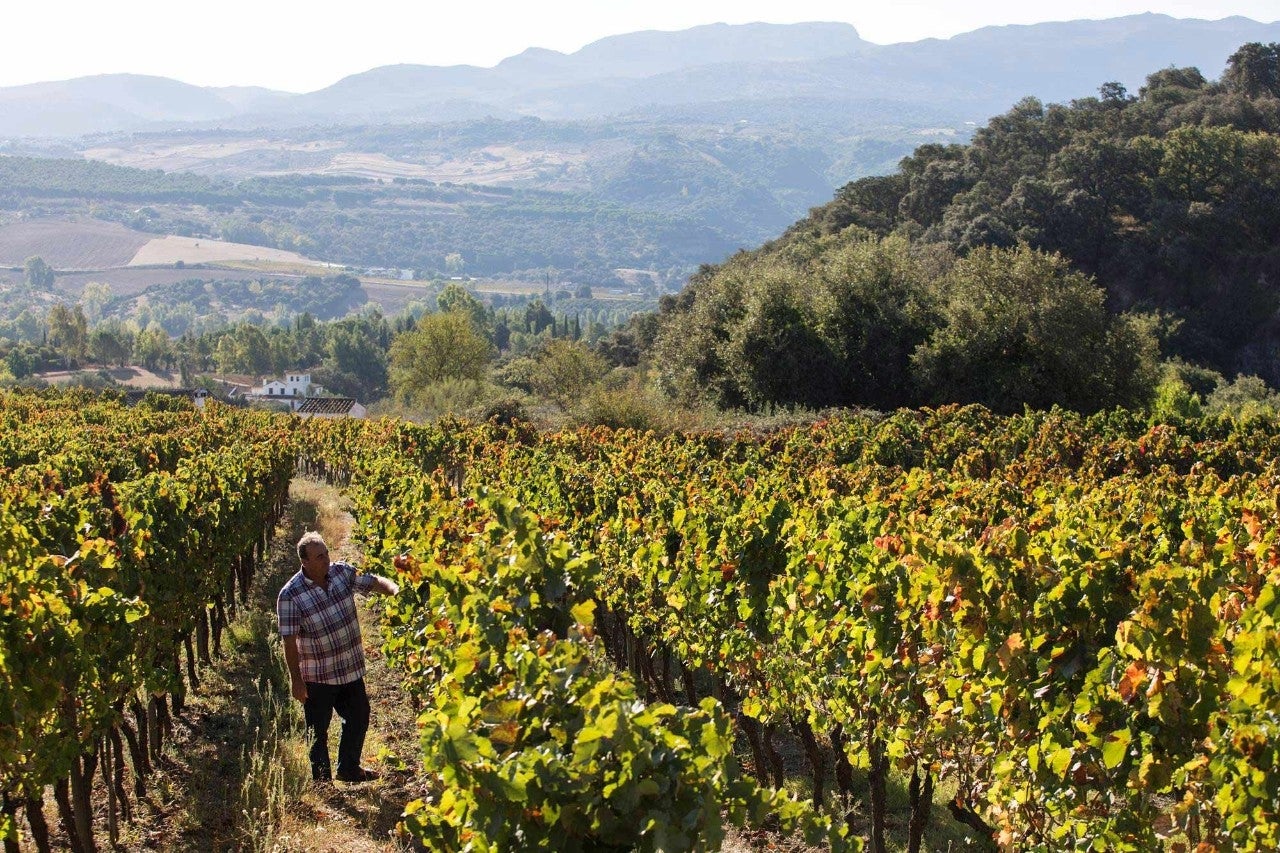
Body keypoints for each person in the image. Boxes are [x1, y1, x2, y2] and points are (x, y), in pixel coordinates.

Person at [277, 531, 399, 783]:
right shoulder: (290, 595)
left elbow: (373, 581)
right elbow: (289, 642)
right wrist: (296, 681)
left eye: (326, 554)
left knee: (359, 716)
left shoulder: (341, 573)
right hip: (318, 676)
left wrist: (394, 589)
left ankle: (349, 768)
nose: (326, 560)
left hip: (349, 667)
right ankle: (322, 783)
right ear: (305, 562)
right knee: (317, 732)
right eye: (319, 557)